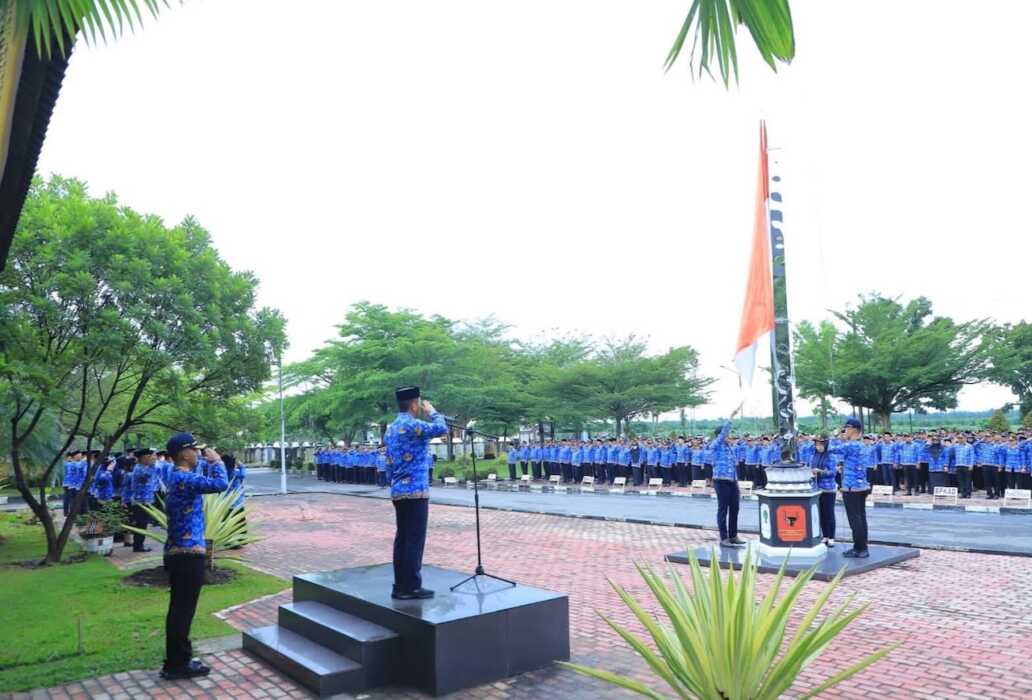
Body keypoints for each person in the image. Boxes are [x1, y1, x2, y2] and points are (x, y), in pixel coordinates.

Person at [160, 433, 229, 681]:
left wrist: (204, 461)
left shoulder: (176, 474)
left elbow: (196, 470)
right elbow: (220, 485)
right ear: (183, 453)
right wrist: (217, 461)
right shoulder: (183, 478)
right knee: (182, 610)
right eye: (194, 450)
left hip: (180, 553)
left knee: (180, 609)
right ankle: (177, 664)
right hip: (187, 555)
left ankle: (178, 659)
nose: (199, 453)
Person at [384, 386, 448, 600]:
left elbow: (389, 464)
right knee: (414, 539)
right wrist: (432, 411)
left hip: (398, 490)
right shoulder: (413, 425)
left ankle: (399, 585)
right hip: (416, 491)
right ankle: (410, 586)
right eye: (419, 403)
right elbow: (441, 429)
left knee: (402, 539)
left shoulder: (391, 427)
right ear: (414, 404)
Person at [828, 417, 869, 558]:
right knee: (861, 517)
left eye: (847, 428)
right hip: (861, 486)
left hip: (852, 487)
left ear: (853, 429)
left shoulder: (852, 445)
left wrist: (835, 436)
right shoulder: (860, 444)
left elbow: (830, 449)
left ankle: (860, 548)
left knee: (854, 519)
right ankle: (861, 546)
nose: (845, 431)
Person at [711, 405, 745, 548]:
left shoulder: (730, 448)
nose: (730, 436)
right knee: (723, 509)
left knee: (735, 508)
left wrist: (736, 483)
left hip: (732, 481)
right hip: (721, 481)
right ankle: (724, 538)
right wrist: (731, 417)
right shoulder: (716, 445)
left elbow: (733, 467)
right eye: (727, 435)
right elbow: (724, 433)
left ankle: (733, 535)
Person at [809, 434, 837, 547]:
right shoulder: (813, 456)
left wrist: (820, 471)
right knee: (820, 514)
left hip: (828, 489)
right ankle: (825, 535)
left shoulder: (831, 457)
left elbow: (833, 473)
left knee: (829, 514)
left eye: (820, 445)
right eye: (816, 445)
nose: (818, 447)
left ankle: (831, 537)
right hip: (817, 489)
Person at [130, 447, 158, 552]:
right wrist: (152, 464)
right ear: (144, 458)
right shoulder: (140, 469)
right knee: (141, 524)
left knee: (143, 524)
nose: (153, 458)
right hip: (140, 502)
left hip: (145, 501)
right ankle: (138, 546)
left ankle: (138, 545)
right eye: (150, 456)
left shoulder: (143, 467)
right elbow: (147, 475)